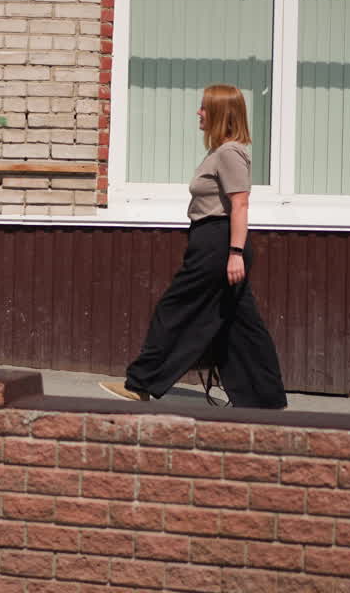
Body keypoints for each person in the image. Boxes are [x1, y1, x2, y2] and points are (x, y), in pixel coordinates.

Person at [100, 83, 287, 409]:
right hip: (212, 241)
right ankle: (265, 398)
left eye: (203, 107)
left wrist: (235, 253)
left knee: (174, 311)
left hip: (219, 244)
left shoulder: (229, 153)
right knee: (239, 323)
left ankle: (142, 383)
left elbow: (240, 205)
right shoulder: (220, 152)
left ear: (219, 113)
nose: (198, 113)